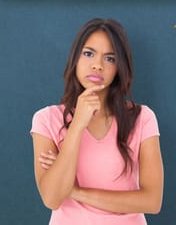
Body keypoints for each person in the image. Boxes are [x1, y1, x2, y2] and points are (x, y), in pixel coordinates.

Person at [30, 18, 164, 225]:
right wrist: (77, 126)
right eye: (88, 53)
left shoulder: (142, 118)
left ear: (120, 68)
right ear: (75, 58)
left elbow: (152, 201)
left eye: (110, 59)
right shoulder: (46, 119)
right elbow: (52, 198)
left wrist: (75, 191)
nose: (97, 65)